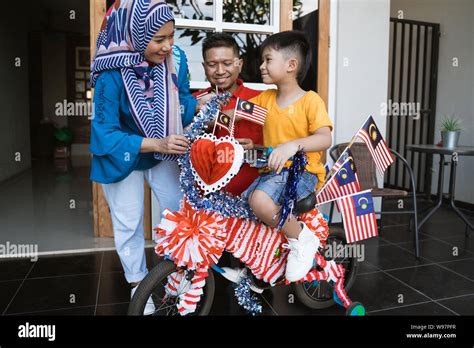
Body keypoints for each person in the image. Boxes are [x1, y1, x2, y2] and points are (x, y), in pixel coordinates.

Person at [89, 0, 199, 314]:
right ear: (136, 35)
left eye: (171, 36)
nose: (167, 47)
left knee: (180, 213)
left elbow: (184, 97)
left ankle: (179, 278)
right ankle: (140, 287)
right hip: (123, 154)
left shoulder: (176, 60)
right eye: (157, 39)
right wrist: (156, 143)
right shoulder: (111, 72)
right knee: (128, 223)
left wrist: (198, 107)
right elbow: (105, 132)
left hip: (165, 149)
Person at [242, 31, 333, 282]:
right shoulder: (266, 99)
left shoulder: (310, 100)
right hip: (274, 173)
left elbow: (325, 138)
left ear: (291, 65)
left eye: (268, 59)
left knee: (259, 200)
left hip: (302, 174)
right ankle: (264, 266)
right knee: (242, 203)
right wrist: (208, 109)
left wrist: (292, 146)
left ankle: (302, 239)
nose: (261, 66)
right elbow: (238, 112)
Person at [192, 33, 263, 196]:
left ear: (239, 64)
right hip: (205, 200)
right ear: (204, 67)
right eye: (212, 64)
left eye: (227, 63)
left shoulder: (260, 100)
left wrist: (255, 149)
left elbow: (275, 152)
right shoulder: (195, 102)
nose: (220, 71)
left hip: (252, 200)